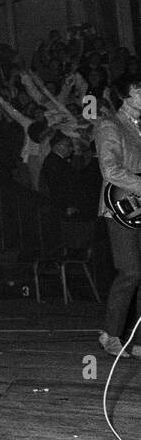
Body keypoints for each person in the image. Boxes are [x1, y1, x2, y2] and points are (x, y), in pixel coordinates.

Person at [94, 74, 141, 357]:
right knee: (131, 272)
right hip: (122, 209)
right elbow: (110, 170)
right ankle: (110, 335)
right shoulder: (109, 125)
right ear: (126, 95)